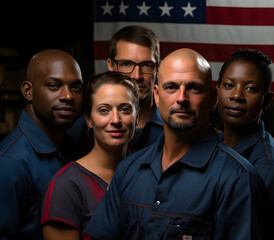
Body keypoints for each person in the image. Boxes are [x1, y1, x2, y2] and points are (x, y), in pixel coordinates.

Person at [84, 48, 267, 239]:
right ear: (156, 95)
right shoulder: (128, 169)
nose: (182, 99)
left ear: (212, 99)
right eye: (171, 87)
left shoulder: (238, 179)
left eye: (193, 88)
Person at [40, 71, 139, 240]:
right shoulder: (66, 186)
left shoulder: (146, 174)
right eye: (104, 110)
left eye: (124, 109)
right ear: (88, 119)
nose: (115, 119)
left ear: (137, 117)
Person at [0, 49, 84, 240]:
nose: (68, 96)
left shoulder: (76, 143)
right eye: (54, 85)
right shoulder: (10, 164)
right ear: (28, 91)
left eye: (76, 87)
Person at [216, 49, 274, 236]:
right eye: (228, 85)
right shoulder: (206, 144)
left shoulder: (270, 165)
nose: (236, 96)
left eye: (250, 89)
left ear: (265, 100)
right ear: (217, 90)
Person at [107, 25, 163, 149]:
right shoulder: (85, 128)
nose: (137, 76)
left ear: (158, 68)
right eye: (126, 64)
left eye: (146, 65)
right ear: (111, 66)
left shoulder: (173, 127)